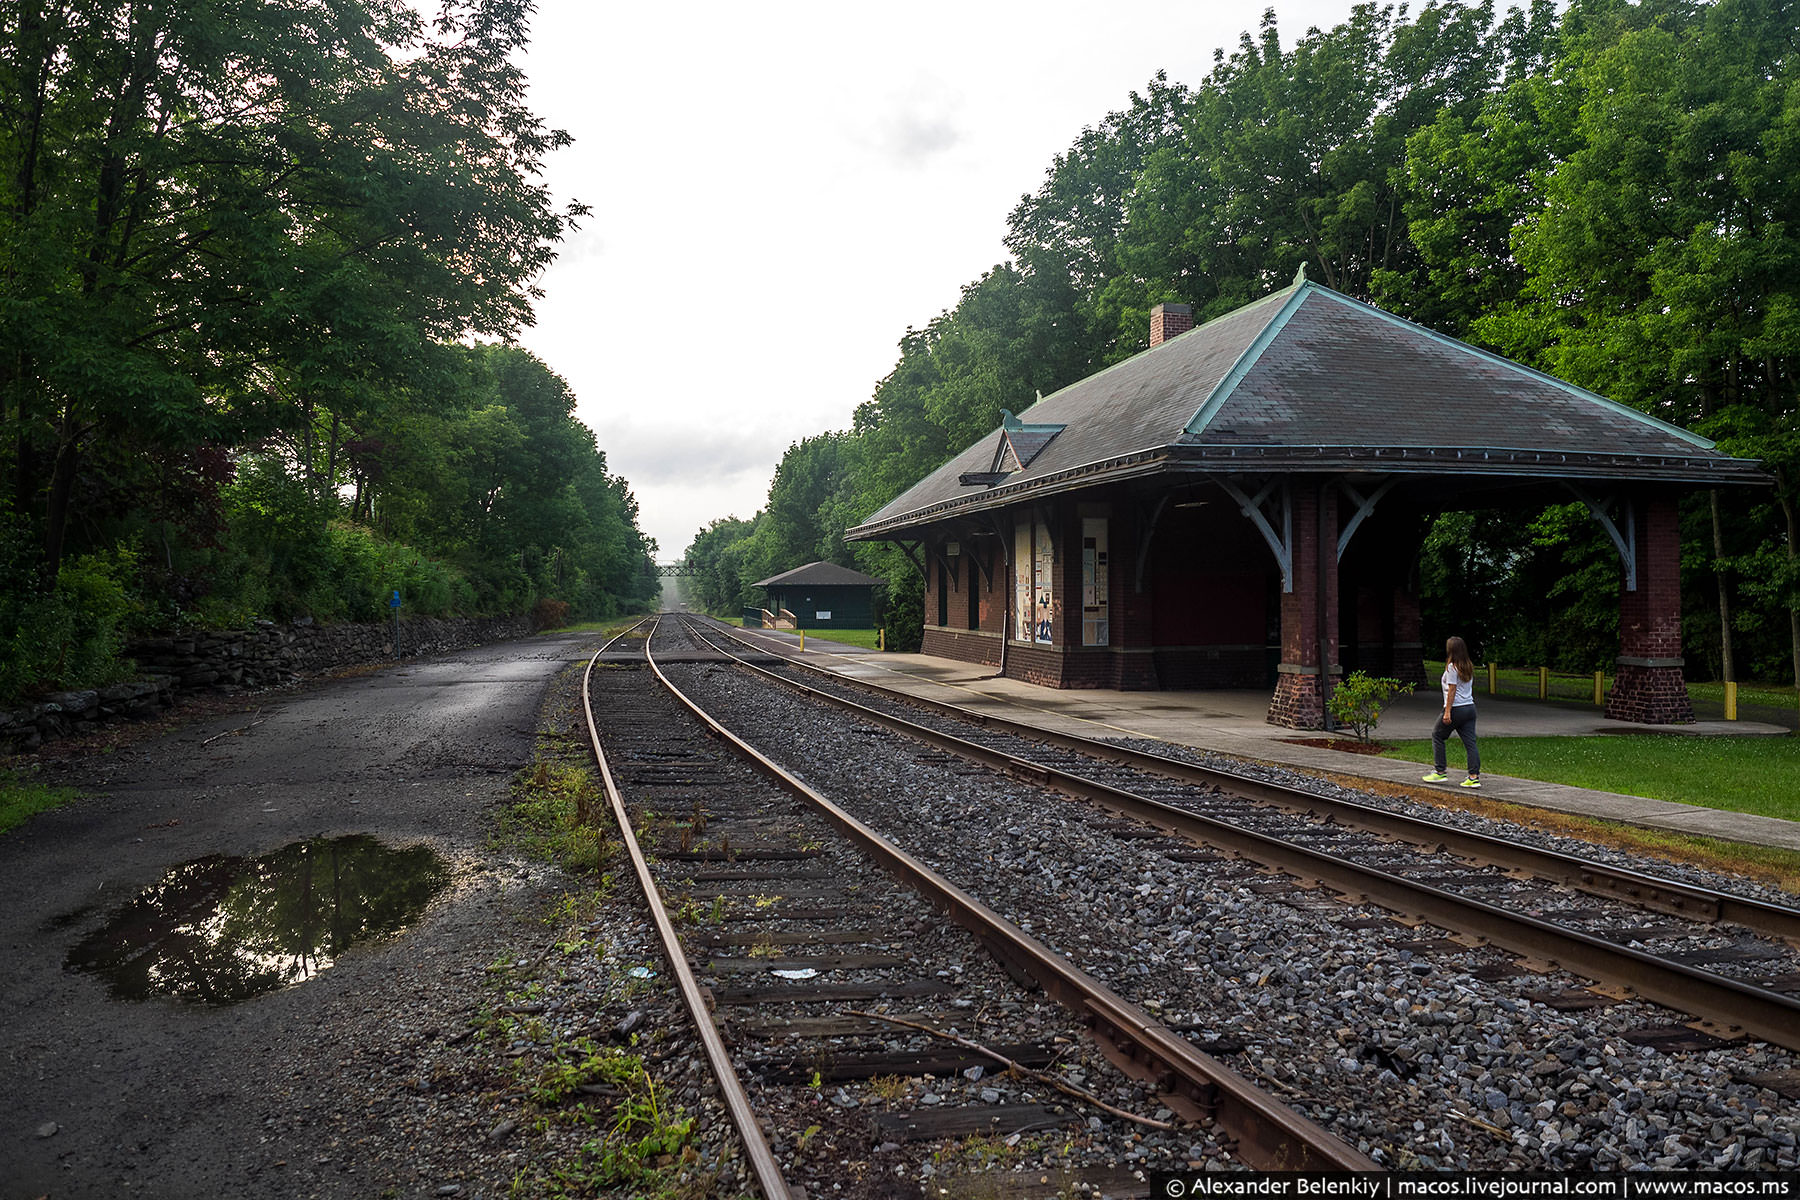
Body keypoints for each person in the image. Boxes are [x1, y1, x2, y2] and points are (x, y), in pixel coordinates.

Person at [1422, 636, 1480, 788]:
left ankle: (1440, 772)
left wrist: (1447, 712)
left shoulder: (1452, 667)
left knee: (1437, 735)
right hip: (1470, 708)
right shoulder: (1468, 666)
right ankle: (1473, 777)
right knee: (1470, 743)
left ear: (1451, 650)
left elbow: (1452, 690)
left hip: (1456, 708)